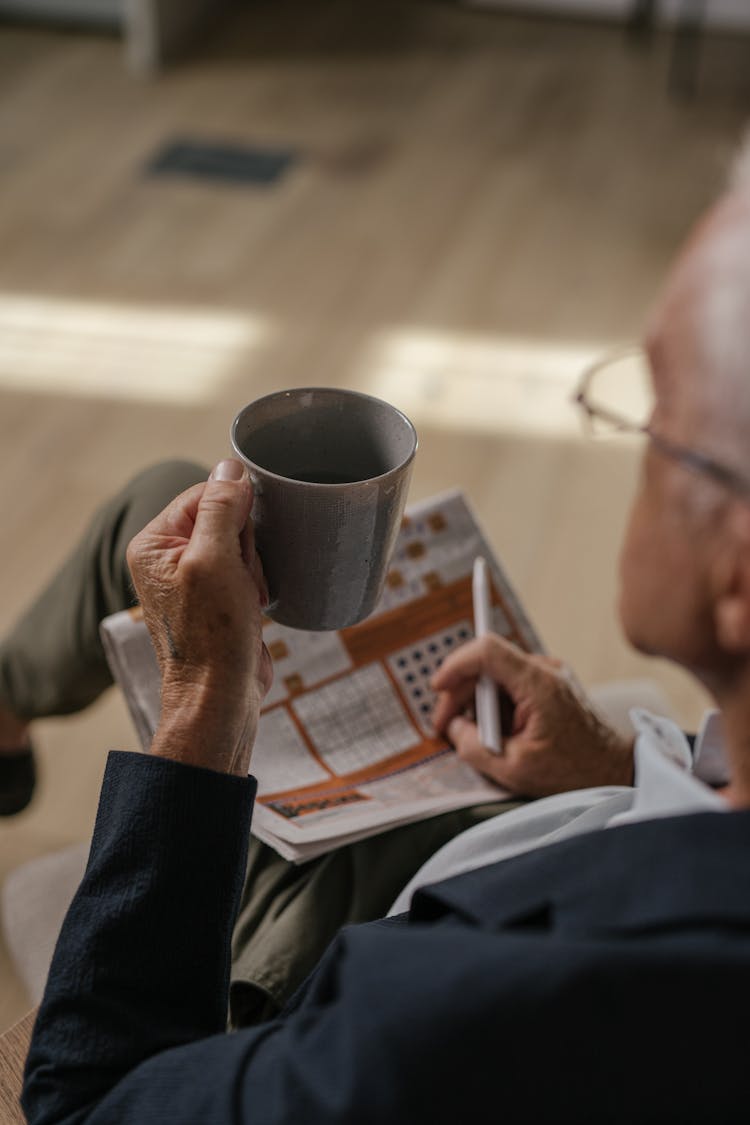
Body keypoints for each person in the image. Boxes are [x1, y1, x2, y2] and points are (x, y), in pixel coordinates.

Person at [14, 140, 750, 1121]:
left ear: (738, 576)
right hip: (552, 816)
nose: (633, 437)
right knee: (167, 502)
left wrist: (203, 716)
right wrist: (617, 764)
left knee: (183, 568)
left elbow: (89, 1102)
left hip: (375, 913)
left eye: (658, 415)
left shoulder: (466, 1005)